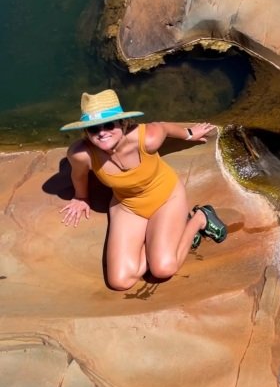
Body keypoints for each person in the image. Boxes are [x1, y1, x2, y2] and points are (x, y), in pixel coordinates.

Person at [59, 89, 227, 290]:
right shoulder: (81, 154)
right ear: (86, 132)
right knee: (120, 282)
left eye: (109, 125)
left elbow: (163, 127)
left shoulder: (147, 138)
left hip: (166, 198)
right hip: (128, 206)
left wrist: (189, 134)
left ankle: (199, 218)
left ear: (123, 123)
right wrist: (81, 197)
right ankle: (164, 239)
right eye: (94, 128)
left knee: (163, 269)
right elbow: (78, 175)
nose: (102, 132)